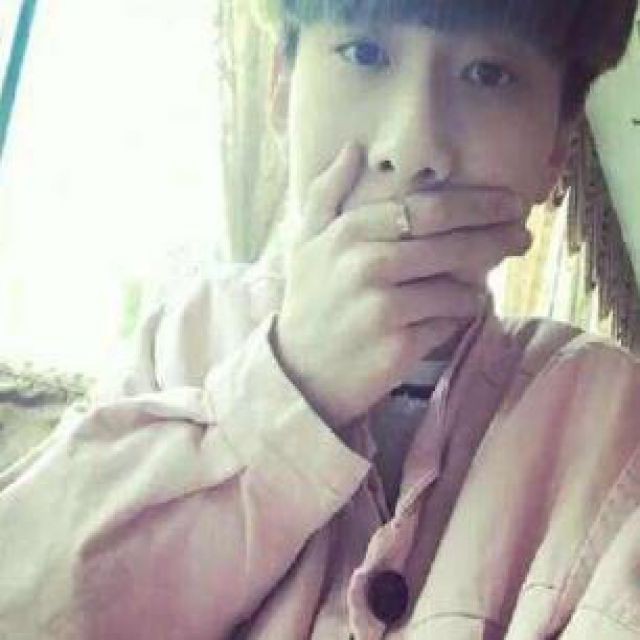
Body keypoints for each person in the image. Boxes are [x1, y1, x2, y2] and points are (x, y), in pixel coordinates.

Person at [0, 0, 638, 637]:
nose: (412, 147)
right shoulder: (181, 343)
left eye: (488, 74)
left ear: (557, 148)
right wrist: (290, 392)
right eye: (365, 53)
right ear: (281, 87)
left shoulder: (610, 421)